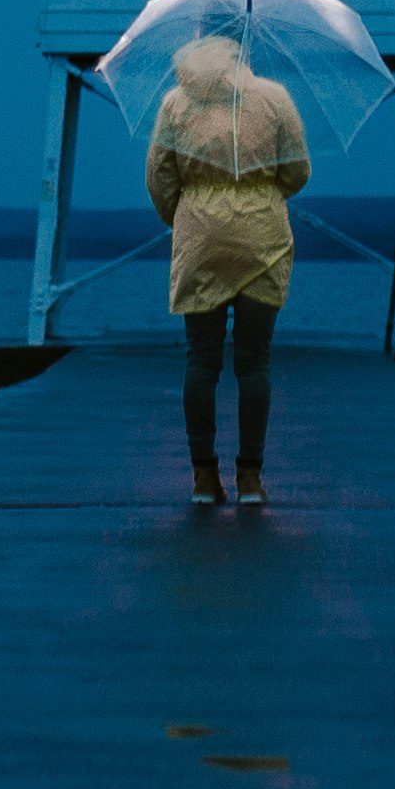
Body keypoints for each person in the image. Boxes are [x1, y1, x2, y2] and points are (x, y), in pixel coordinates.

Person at [145, 32, 310, 507]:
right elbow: (298, 171)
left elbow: (159, 175)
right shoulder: (275, 99)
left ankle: (202, 478)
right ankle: (251, 480)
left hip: (199, 235)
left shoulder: (176, 103)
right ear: (243, 56)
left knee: (202, 361)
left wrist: (185, 214)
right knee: (254, 360)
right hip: (262, 236)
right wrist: (261, 190)